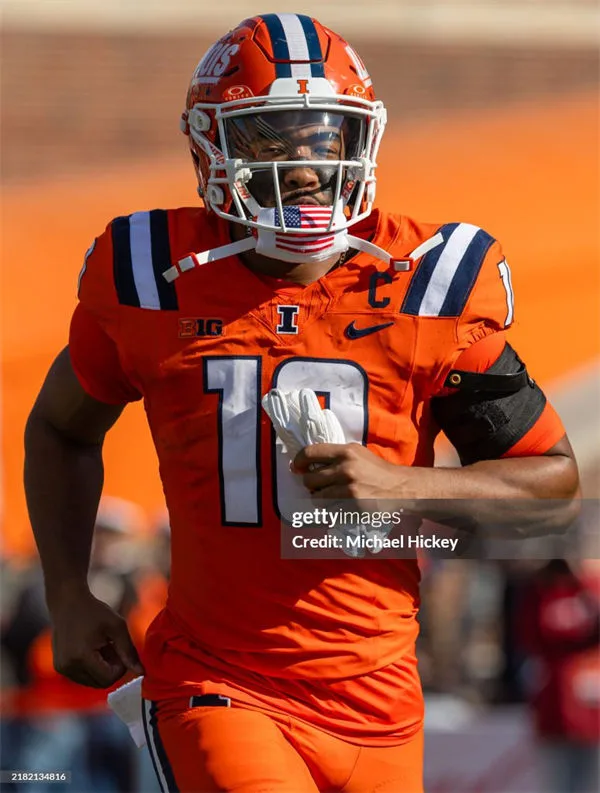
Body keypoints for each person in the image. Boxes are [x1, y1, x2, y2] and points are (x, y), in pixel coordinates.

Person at [24, 13, 581, 793]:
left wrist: (401, 487)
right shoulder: (151, 277)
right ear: (211, 147)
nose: (308, 165)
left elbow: (551, 486)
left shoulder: (426, 284)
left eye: (327, 136)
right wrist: (66, 590)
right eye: (272, 137)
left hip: (382, 696)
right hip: (220, 679)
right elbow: (59, 427)